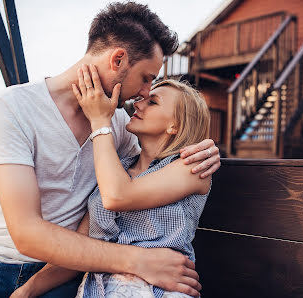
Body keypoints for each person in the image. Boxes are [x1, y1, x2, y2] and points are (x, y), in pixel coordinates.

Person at [0, 2, 220, 297]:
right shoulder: (12, 106)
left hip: (69, 270)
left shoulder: (121, 124)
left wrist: (204, 148)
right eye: (146, 78)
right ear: (118, 60)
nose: (144, 94)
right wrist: (139, 262)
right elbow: (27, 233)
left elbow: (155, 161)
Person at [12, 74, 212, 298]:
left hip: (158, 290)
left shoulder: (192, 168)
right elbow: (84, 247)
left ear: (176, 125)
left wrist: (99, 122)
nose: (138, 102)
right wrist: (27, 290)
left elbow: (117, 196)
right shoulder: (116, 173)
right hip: (97, 291)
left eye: (152, 102)